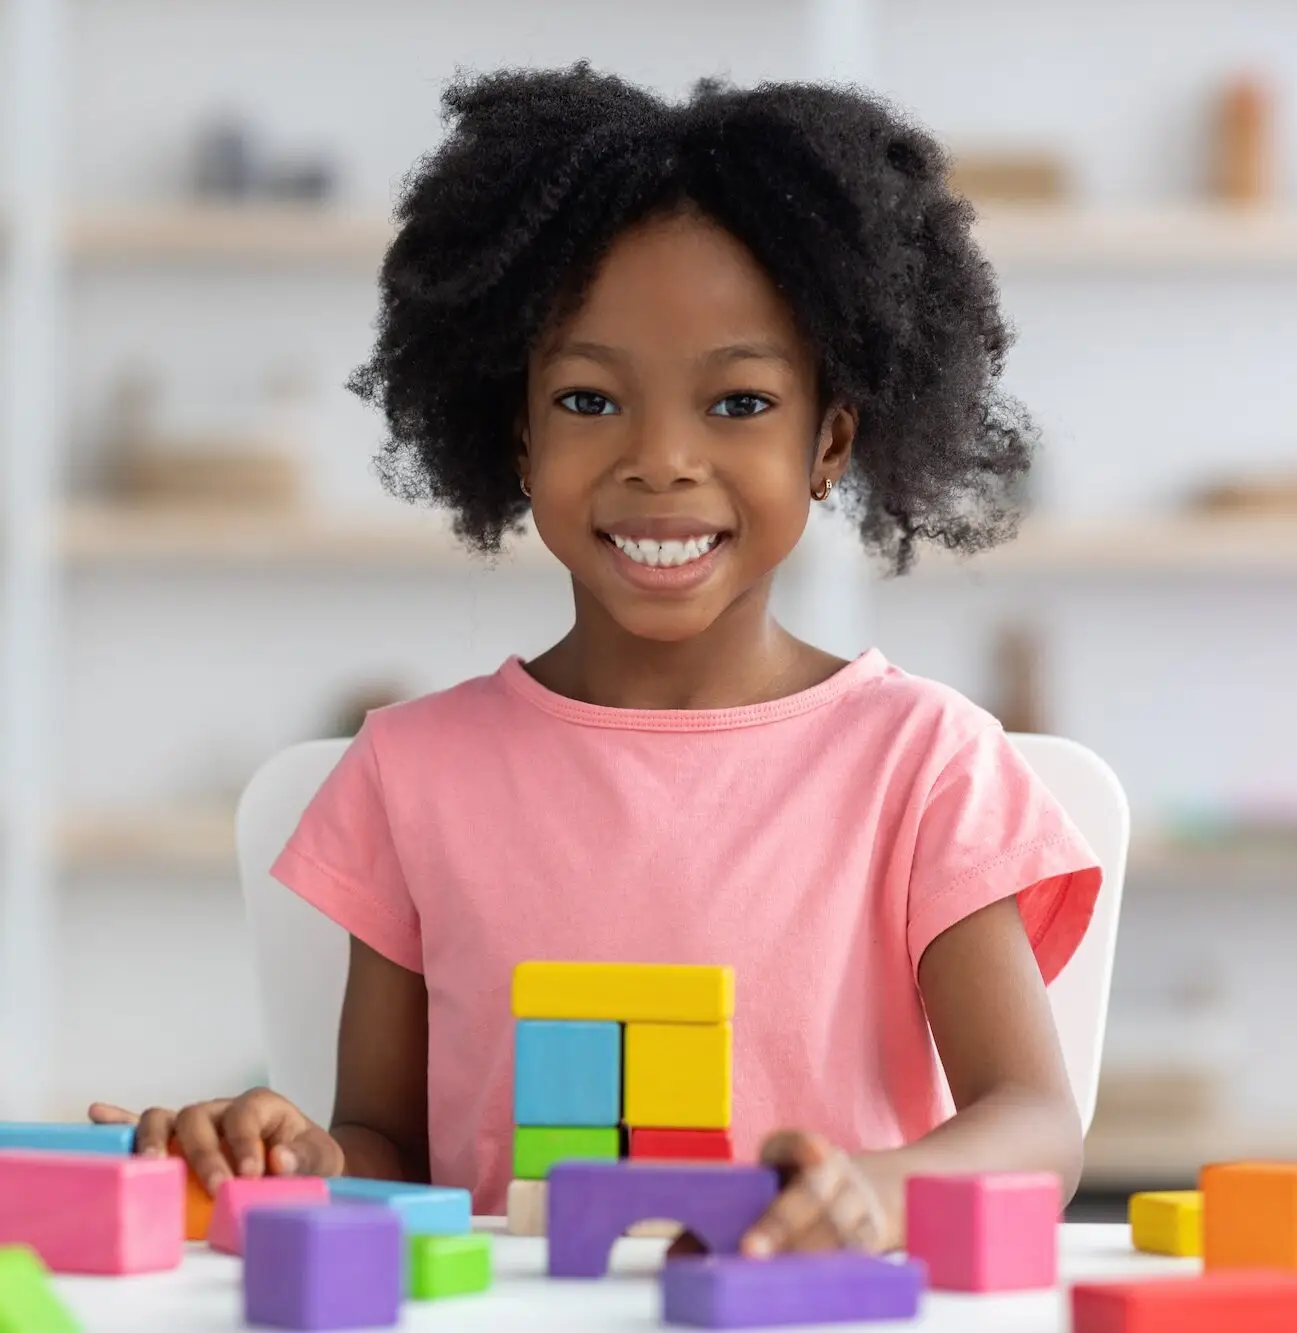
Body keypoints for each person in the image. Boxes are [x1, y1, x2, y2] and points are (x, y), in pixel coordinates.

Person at [91, 63, 1101, 1257]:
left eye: (737, 403)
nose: (661, 459)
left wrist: (876, 1191)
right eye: (587, 399)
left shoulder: (925, 765)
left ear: (830, 439)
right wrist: (290, 1154)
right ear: (515, 430)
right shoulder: (412, 772)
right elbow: (386, 1146)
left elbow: (1035, 1121)